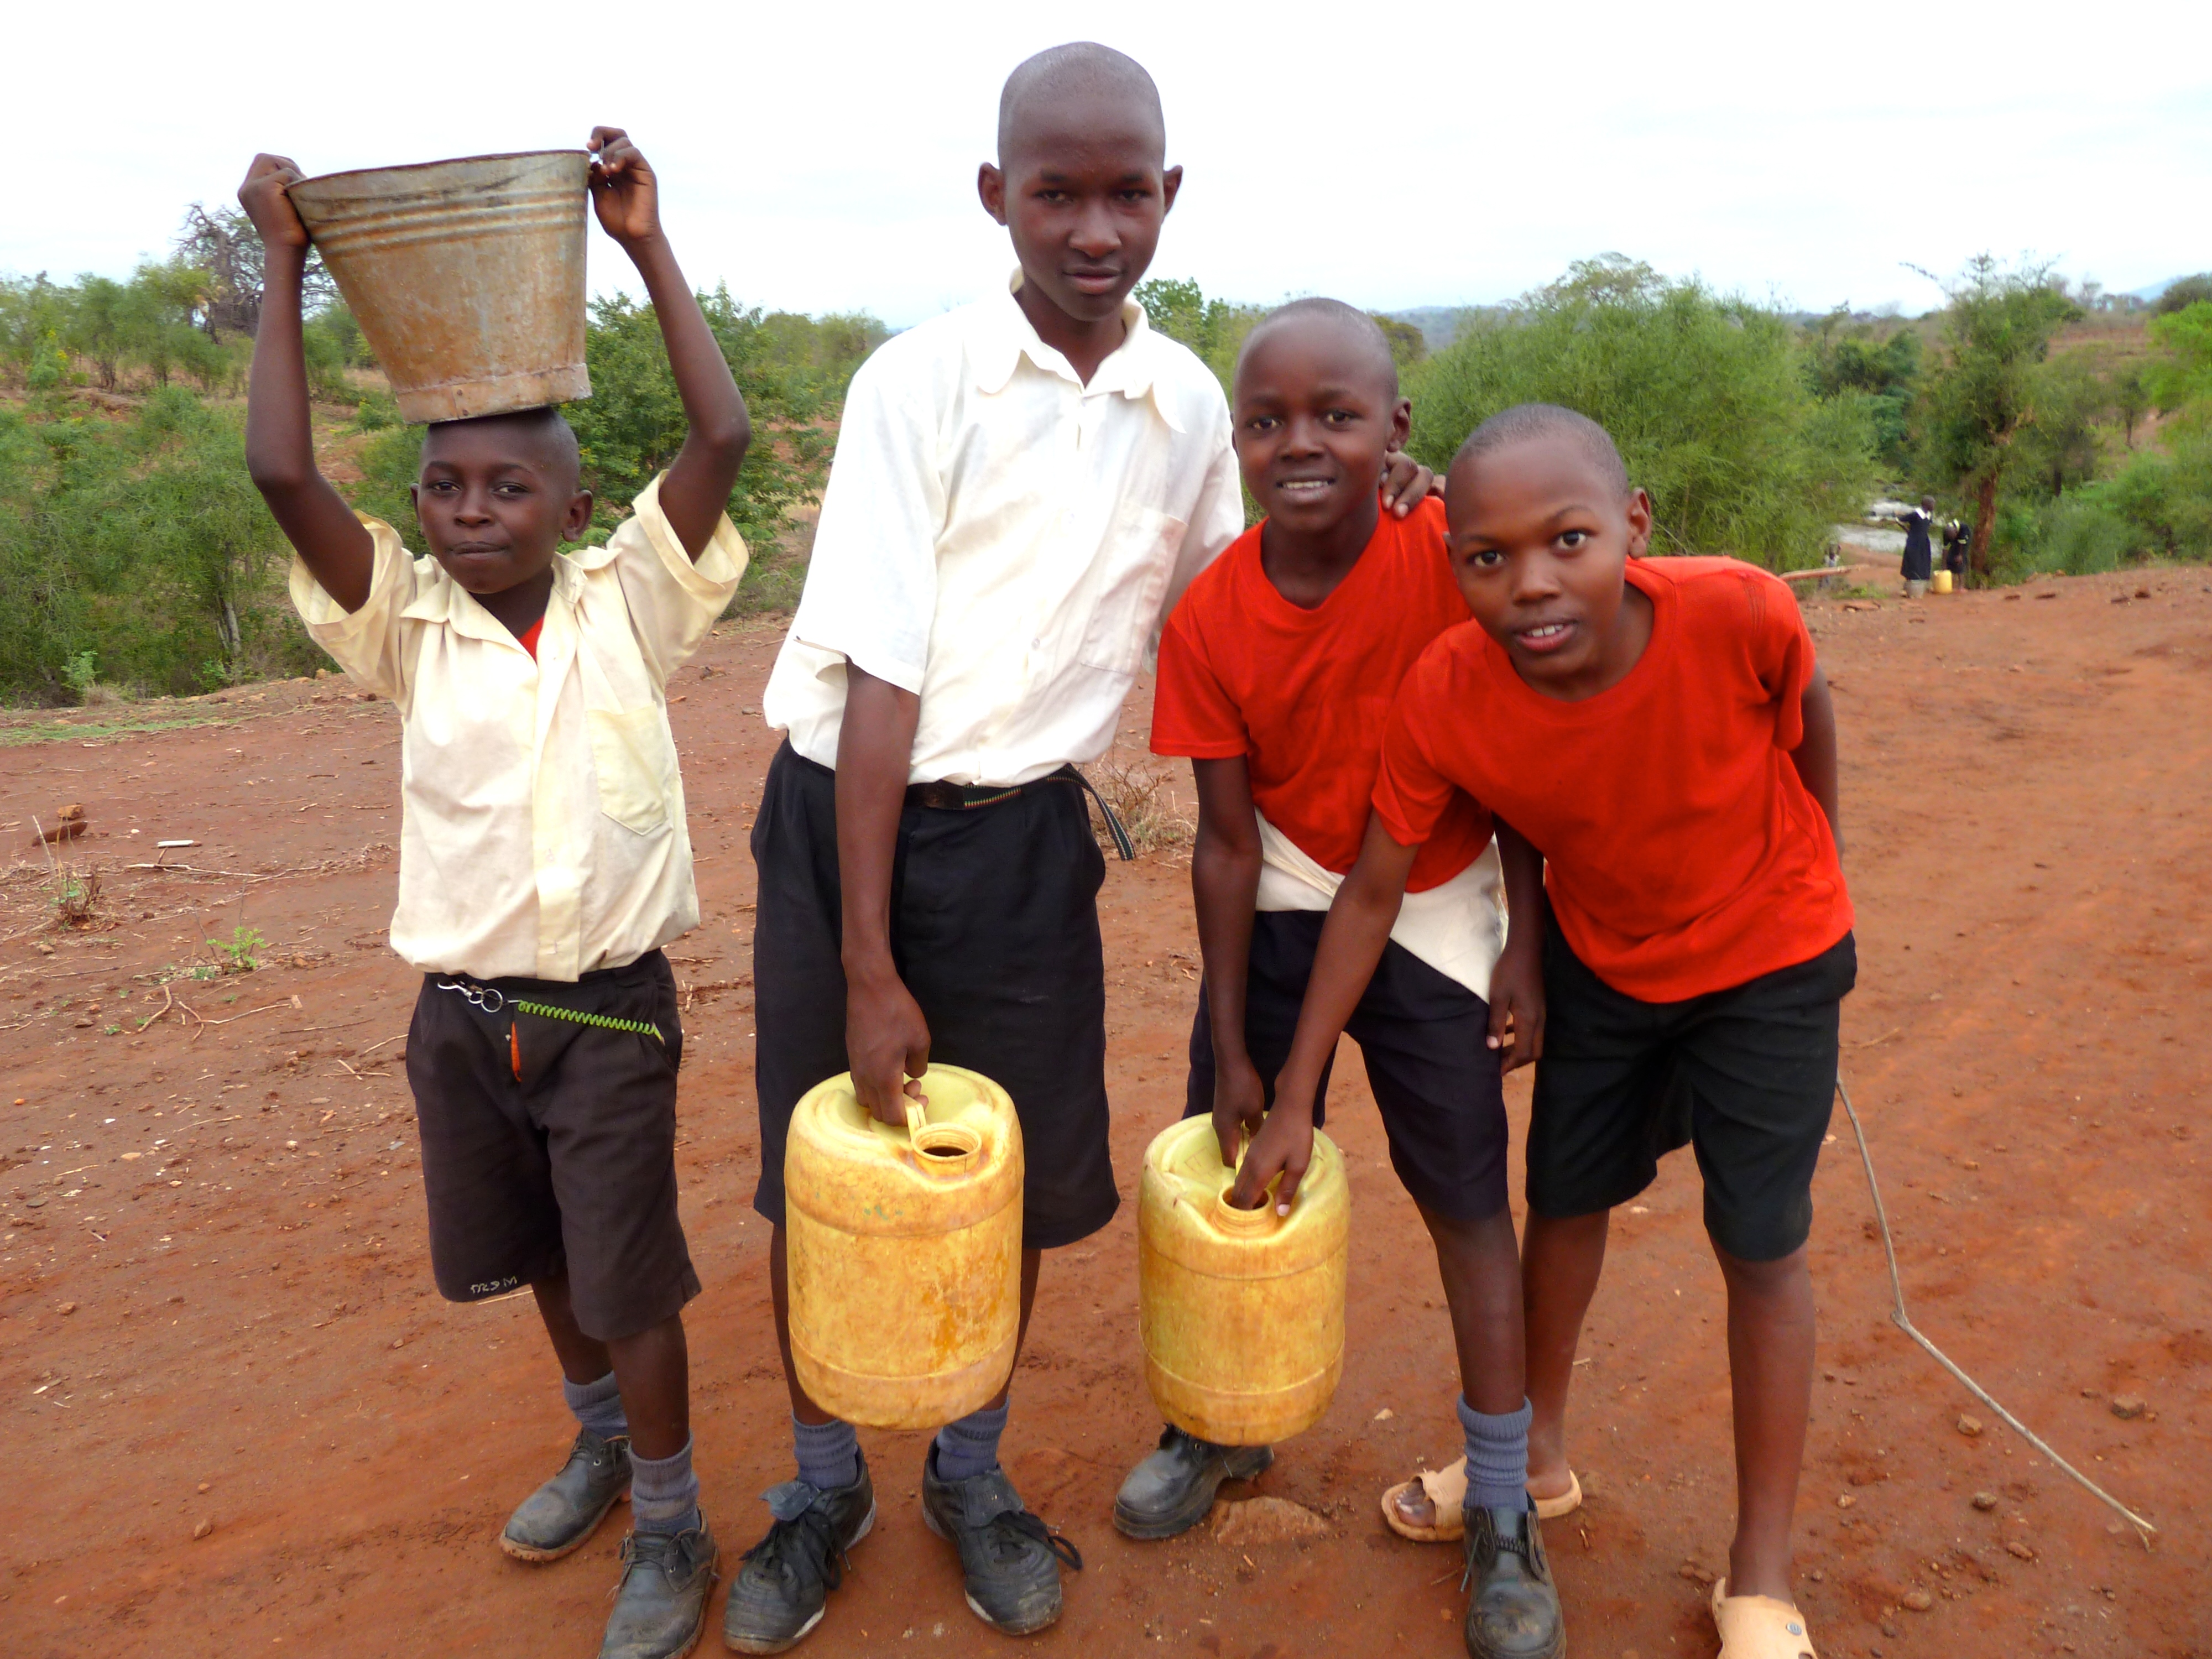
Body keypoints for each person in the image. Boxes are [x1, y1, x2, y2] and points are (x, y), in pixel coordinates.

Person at [732, 44, 1434, 1652]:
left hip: (1026, 844)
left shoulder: (1186, 408)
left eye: (1127, 193)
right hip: (848, 820)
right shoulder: (918, 384)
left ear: (1169, 196)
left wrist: (1394, 504)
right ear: (998, 196)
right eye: (1057, 194)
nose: (1094, 229)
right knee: (828, 1168)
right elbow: (882, 680)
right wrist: (867, 963)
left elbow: (1239, 592)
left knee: (1016, 1177)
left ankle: (969, 1477)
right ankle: (821, 1489)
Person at [240, 130, 752, 1659]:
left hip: (609, 1017)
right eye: (445, 487)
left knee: (627, 1275)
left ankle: (671, 1520)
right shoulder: (404, 625)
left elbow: (720, 433)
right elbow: (281, 471)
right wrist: (283, 256)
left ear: (572, 505)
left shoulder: (629, 606)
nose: (471, 510)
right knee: (536, 1252)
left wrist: (644, 243)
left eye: (509, 485)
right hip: (464, 1018)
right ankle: (598, 1442)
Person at [1239, 405, 1854, 1659]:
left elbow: (1807, 717)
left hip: (1770, 962)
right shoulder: (1447, 691)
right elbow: (1371, 890)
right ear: (1453, 561)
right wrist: (1298, 1089)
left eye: (1567, 541)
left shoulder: (1737, 611)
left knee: (1758, 1241)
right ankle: (1535, 1460)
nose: (1530, 584)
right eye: (1488, 557)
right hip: (1608, 965)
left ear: (1633, 526)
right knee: (1563, 1202)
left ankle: (1759, 1575)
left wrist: (1821, 869)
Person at [1122, 299, 1563, 1659]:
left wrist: (1525, 936)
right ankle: (1217, 1425)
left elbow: (1520, 750)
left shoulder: (1447, 553)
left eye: (1337, 416)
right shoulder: (1211, 615)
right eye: (1267, 422)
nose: (1300, 443)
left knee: (1466, 1200)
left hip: (1434, 892)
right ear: (1235, 441)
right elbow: (1223, 842)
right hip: (1285, 885)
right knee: (1231, 1161)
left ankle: (1502, 1499)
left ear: (1395, 430)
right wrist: (1230, 1043)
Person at [1893, 495, 1935, 597]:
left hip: (1924, 541)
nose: (1934, 506)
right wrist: (1907, 530)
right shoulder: (1916, 514)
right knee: (1913, 561)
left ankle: (1924, 583)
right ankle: (1908, 586)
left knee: (1924, 561)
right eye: (1932, 504)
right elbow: (1898, 520)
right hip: (1914, 541)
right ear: (1925, 505)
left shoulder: (1929, 515)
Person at [1942, 516, 1971, 581]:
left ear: (1956, 532)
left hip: (1964, 542)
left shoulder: (1963, 529)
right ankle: (1950, 581)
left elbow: (1962, 544)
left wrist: (1960, 555)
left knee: (1959, 562)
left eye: (1953, 537)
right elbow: (1945, 548)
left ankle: (1961, 584)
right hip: (1956, 541)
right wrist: (1944, 564)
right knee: (1950, 559)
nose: (1952, 539)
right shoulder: (1946, 532)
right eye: (1951, 538)